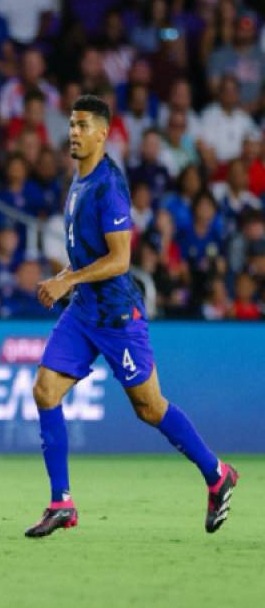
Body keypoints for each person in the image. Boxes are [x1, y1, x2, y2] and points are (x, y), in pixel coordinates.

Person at [25, 95, 239, 538]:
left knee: (149, 407)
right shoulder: (79, 179)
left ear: (103, 133)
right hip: (85, 311)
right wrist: (66, 276)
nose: (74, 132)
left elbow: (120, 259)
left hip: (119, 317)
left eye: (83, 125)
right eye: (71, 124)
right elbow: (89, 253)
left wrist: (67, 281)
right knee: (46, 391)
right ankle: (60, 502)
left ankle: (217, 473)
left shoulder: (109, 185)